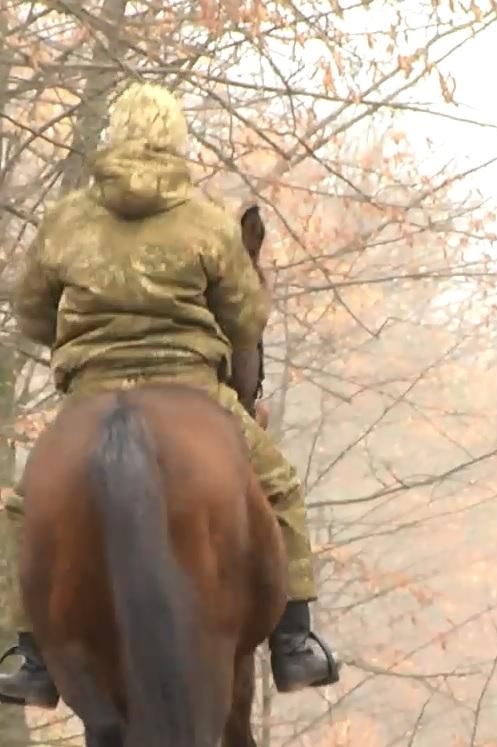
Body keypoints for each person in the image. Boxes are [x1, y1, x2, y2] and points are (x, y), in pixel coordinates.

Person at [0, 81, 339, 708]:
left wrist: (78, 350)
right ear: (175, 139)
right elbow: (245, 321)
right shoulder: (207, 222)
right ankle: (295, 641)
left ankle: (30, 655)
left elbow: (29, 313)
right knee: (282, 486)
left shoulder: (66, 220)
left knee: (23, 509)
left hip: (91, 388)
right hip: (192, 385)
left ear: (116, 136)